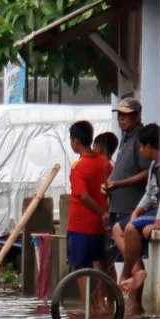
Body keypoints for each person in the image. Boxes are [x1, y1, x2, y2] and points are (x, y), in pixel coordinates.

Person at [117, 123, 160, 310]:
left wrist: (159, 222)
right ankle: (137, 270)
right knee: (118, 229)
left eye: (142, 147)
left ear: (150, 146)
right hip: (151, 210)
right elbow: (149, 193)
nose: (141, 150)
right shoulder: (153, 166)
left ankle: (126, 274)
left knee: (130, 229)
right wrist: (136, 211)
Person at [66, 121, 111, 300]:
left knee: (81, 268)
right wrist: (104, 214)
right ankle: (103, 305)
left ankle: (90, 311)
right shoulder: (104, 162)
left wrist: (102, 213)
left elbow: (83, 196)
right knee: (98, 263)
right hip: (99, 227)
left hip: (80, 225)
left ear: (76, 141)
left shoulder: (79, 167)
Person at [103, 98, 149, 233]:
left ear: (137, 116)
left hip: (130, 207)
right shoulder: (126, 137)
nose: (121, 119)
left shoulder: (141, 138)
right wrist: (109, 184)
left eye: (125, 115)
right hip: (117, 206)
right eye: (119, 115)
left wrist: (119, 184)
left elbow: (147, 172)